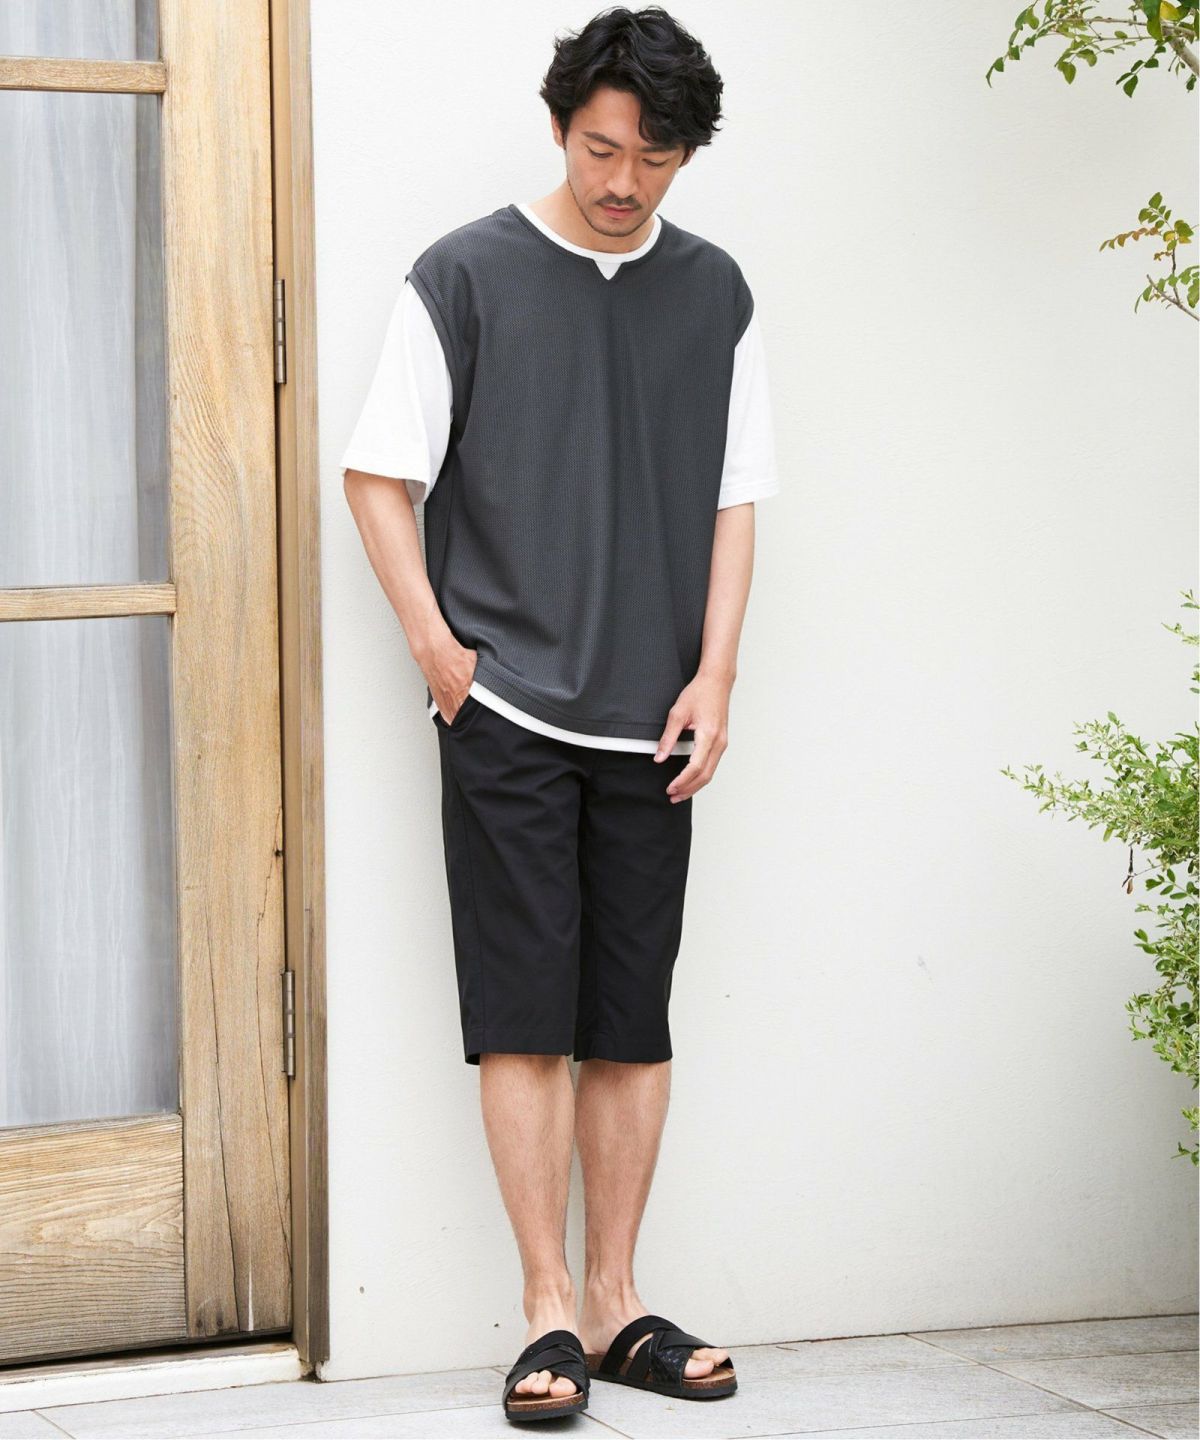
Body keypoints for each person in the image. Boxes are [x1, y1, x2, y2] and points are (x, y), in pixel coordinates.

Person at [341, 4, 779, 1423]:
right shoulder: (464, 275)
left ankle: (616, 1301)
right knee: (526, 1020)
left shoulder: (715, 295)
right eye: (601, 149)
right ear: (558, 128)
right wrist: (440, 653)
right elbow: (378, 475)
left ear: (686, 155)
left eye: (655, 157)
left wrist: (717, 676)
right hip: (511, 707)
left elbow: (734, 500)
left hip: (656, 719)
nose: (623, 182)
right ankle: (544, 1312)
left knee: (632, 1024)